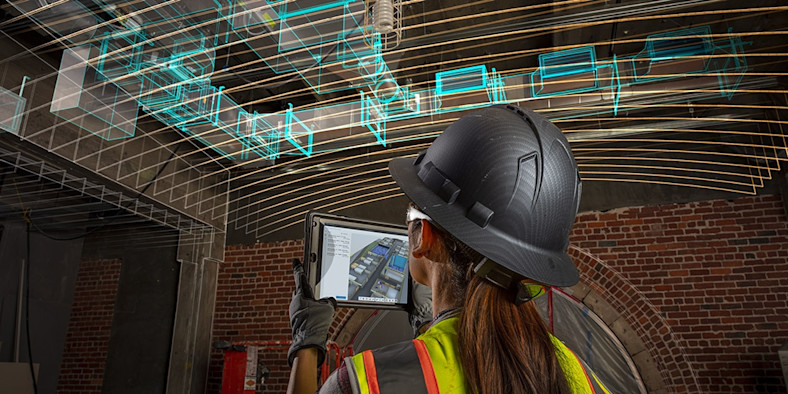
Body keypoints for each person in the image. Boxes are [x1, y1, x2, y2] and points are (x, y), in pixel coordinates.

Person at [286, 105, 609, 394]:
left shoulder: (367, 381)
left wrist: (307, 343)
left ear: (422, 237)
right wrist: (428, 327)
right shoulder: (580, 375)